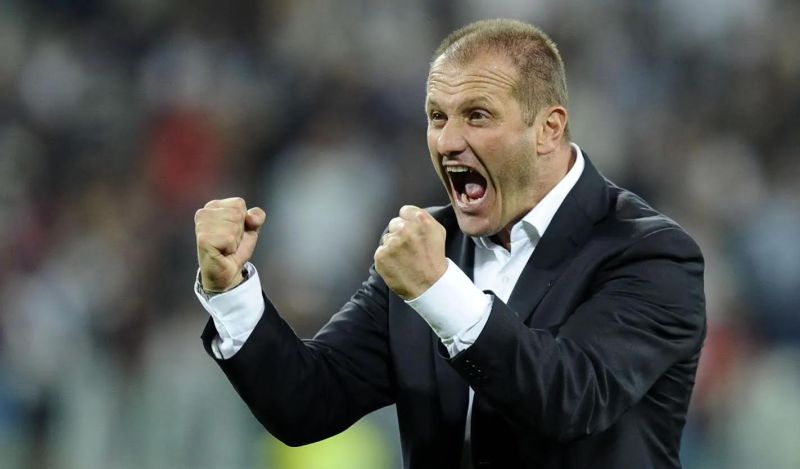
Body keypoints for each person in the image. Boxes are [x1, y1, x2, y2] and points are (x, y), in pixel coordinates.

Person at [193, 19, 705, 469]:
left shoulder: (651, 255)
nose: (448, 141)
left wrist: (437, 289)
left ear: (548, 129)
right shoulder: (428, 250)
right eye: (437, 116)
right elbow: (307, 402)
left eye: (477, 115)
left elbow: (571, 398)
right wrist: (231, 291)